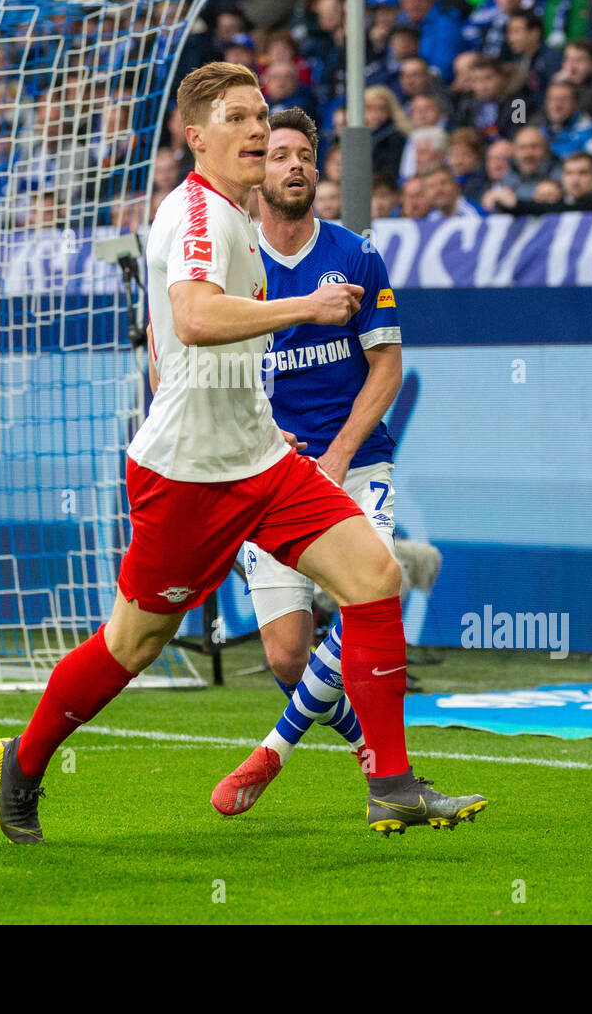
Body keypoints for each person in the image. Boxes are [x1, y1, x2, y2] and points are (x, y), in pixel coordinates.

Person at [0, 63, 487, 843]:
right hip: (187, 476)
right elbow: (191, 317)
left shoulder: (236, 215)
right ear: (196, 138)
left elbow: (171, 341)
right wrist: (309, 306)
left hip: (259, 457)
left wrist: (249, 412)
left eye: (260, 115)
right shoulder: (196, 215)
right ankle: (26, 759)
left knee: (375, 575)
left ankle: (390, 781)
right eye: (238, 119)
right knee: (135, 644)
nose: (257, 130)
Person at [207, 108, 428, 816]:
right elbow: (214, 369)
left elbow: (387, 368)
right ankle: (380, 764)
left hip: (356, 464)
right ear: (257, 171)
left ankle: (276, 749)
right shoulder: (234, 265)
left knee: (371, 590)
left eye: (306, 155)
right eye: (279, 156)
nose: (295, 166)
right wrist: (266, 435)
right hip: (269, 473)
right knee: (284, 656)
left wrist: (336, 455)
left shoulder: (355, 254)